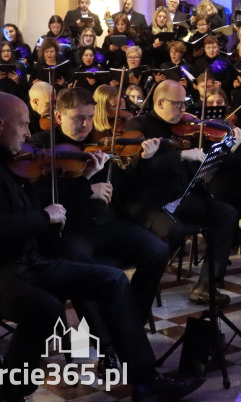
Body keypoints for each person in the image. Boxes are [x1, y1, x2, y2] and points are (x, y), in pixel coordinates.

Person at [0, 92, 202, 401]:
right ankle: (9, 394)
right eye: (22, 125)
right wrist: (43, 217)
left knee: (112, 279)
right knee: (45, 306)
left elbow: (36, 204)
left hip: (25, 263)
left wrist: (78, 182)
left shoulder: (6, 161)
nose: (26, 134)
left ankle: (145, 381)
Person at [31, 87, 169, 325]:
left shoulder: (101, 143)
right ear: (59, 117)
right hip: (71, 230)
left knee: (158, 250)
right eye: (78, 118)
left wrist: (144, 163)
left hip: (108, 224)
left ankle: (130, 323)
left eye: (89, 118)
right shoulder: (42, 147)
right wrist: (85, 186)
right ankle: (102, 336)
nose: (85, 125)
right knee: (81, 264)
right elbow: (41, 198)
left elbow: (128, 190)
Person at [125, 80, 241, 306]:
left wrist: (230, 148)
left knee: (226, 213)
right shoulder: (138, 125)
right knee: (175, 230)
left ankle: (207, 287)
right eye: (178, 104)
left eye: (185, 104)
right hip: (149, 202)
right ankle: (141, 291)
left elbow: (209, 165)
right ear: (160, 102)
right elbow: (136, 172)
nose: (184, 110)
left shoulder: (188, 127)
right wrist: (180, 156)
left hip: (181, 197)